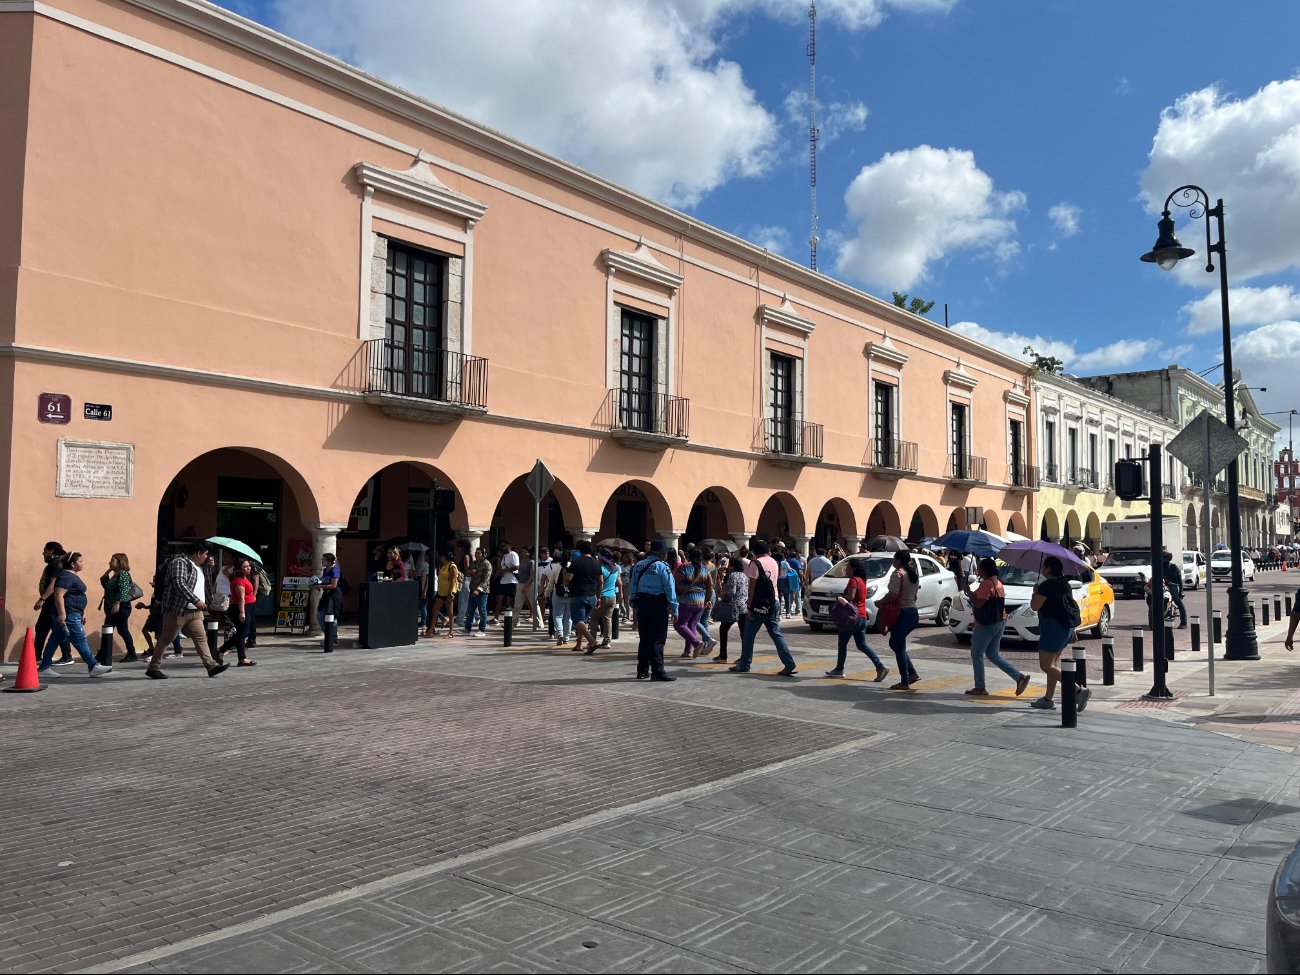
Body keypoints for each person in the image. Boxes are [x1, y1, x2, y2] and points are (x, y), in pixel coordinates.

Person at [146, 541, 226, 678]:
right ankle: (153, 668)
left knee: (201, 638)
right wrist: (195, 600)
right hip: (178, 610)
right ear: (199, 553)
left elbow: (206, 583)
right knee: (166, 638)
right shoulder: (179, 562)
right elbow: (179, 583)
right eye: (205, 554)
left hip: (195, 611)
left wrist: (208, 567)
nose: (207, 557)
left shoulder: (199, 566)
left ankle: (211, 666)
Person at [36, 552, 113, 678]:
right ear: (72, 564)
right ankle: (93, 666)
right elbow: (58, 595)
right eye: (80, 561)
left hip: (73, 612)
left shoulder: (70, 575)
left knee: (55, 639)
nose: (83, 563)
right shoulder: (67, 576)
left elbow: (74, 595)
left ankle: (44, 667)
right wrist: (62, 614)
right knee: (80, 638)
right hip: (69, 614)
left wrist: (82, 612)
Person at [964, 557, 1030, 697]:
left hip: (985, 624)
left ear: (984, 569)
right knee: (993, 654)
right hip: (1000, 621)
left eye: (980, 567)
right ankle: (1019, 677)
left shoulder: (986, 584)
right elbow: (982, 598)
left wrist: (968, 592)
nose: (978, 570)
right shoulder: (998, 583)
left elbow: (978, 604)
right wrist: (969, 591)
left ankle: (980, 687)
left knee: (977, 654)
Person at [1028, 554, 1087, 711]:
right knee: (1052, 665)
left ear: (1048, 568)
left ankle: (1078, 690)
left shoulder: (1047, 586)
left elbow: (1034, 606)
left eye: (1044, 567)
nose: (1042, 569)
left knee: (1046, 665)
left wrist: (1035, 592)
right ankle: (1048, 699)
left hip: (1053, 629)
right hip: (1065, 628)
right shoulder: (1064, 584)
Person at [730, 539, 797, 676]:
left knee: (748, 634)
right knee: (775, 633)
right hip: (774, 601)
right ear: (767, 550)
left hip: (758, 604)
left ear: (754, 552)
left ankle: (744, 664)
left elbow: (752, 587)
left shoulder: (756, 563)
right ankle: (789, 663)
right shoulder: (774, 562)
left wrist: (749, 606)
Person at [825, 559, 888, 681]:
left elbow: (851, 596)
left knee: (842, 643)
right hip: (862, 617)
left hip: (852, 617)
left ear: (853, 568)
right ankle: (880, 666)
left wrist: (839, 597)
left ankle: (839, 669)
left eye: (847, 567)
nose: (845, 569)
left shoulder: (853, 580)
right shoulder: (862, 581)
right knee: (862, 644)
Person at [629, 541, 678, 681]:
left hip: (642, 602)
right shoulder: (663, 567)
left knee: (644, 637)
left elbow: (633, 584)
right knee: (657, 638)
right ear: (662, 553)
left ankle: (642, 670)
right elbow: (670, 588)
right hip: (658, 604)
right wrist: (674, 608)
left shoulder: (639, 565)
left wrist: (633, 601)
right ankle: (658, 671)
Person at [878, 550, 923, 690]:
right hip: (913, 612)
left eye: (894, 558)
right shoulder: (912, 575)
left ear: (898, 560)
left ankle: (905, 680)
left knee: (898, 645)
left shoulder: (898, 574)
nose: (893, 561)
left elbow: (892, 594)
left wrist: (880, 602)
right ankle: (912, 673)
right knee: (896, 644)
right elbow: (915, 597)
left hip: (901, 613)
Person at [34, 541, 75, 666]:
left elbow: (53, 585)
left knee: (53, 628)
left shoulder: (56, 564)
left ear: (51, 550)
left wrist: (42, 599)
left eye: (45, 550)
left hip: (52, 603)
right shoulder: (56, 563)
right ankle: (36, 656)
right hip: (50, 603)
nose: (43, 553)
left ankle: (67, 656)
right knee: (43, 628)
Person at [98, 553, 138, 664]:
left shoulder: (123, 574)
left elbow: (123, 590)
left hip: (121, 607)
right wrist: (108, 571)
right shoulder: (116, 575)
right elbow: (105, 585)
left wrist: (117, 603)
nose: (109, 562)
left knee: (121, 630)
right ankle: (102, 654)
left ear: (119, 562)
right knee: (108, 629)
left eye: (112, 561)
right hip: (112, 607)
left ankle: (131, 653)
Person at [672, 548, 711, 658]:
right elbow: (709, 585)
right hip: (700, 601)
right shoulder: (704, 568)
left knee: (679, 624)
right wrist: (707, 600)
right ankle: (687, 651)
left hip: (687, 600)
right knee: (691, 625)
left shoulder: (684, 567)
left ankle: (696, 643)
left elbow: (676, 583)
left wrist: (677, 594)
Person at [565, 540, 602, 653]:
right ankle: (579, 644)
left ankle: (592, 641)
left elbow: (568, 579)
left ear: (580, 550)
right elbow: (601, 581)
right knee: (583, 621)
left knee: (577, 621)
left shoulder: (576, 562)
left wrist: (565, 579)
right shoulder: (596, 563)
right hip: (592, 596)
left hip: (578, 595)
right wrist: (599, 597)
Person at [714, 557, 748, 662]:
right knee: (744, 633)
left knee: (723, 629)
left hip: (733, 607)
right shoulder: (744, 576)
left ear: (732, 566)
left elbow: (731, 592)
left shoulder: (733, 575)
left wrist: (722, 595)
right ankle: (744, 656)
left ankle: (723, 655)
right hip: (743, 607)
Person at [226, 559, 257, 666]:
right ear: (239, 569)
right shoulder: (239, 581)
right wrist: (242, 612)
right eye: (245, 566)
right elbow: (241, 598)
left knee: (243, 632)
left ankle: (222, 650)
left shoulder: (245, 579)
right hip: (241, 608)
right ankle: (241, 658)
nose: (248, 568)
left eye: (249, 566)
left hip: (248, 607)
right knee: (243, 633)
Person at [426, 549, 460, 639]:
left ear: (444, 557)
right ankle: (431, 629)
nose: (440, 558)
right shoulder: (444, 566)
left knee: (450, 612)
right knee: (435, 610)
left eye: (442, 556)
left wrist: (450, 592)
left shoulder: (452, 566)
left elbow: (453, 579)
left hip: (448, 593)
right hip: (441, 592)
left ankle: (451, 632)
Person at [311, 552, 341, 650]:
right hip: (326, 595)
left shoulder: (334, 570)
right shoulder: (325, 570)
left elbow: (334, 585)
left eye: (323, 559)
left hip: (333, 595)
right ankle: (329, 636)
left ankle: (333, 639)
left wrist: (320, 586)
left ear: (329, 561)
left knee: (332, 617)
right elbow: (324, 580)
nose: (322, 561)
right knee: (320, 615)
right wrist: (317, 582)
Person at [594, 548, 620, 650]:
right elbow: (619, 583)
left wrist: (598, 597)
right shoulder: (616, 569)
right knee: (607, 619)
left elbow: (600, 583)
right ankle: (607, 641)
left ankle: (592, 641)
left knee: (594, 619)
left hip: (602, 596)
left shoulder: (601, 569)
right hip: (612, 596)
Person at [463, 547, 492, 637]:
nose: (476, 555)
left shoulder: (487, 564)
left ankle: (482, 629)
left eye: (478, 553)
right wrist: (470, 572)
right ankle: (467, 629)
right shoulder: (475, 563)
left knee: (482, 611)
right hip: (472, 589)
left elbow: (486, 579)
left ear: (484, 555)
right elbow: (467, 571)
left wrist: (478, 589)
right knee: (470, 611)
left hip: (482, 591)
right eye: (476, 553)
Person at [550, 549, 574, 646]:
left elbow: (551, 582)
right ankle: (566, 637)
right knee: (568, 617)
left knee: (557, 616)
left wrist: (547, 593)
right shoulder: (573, 566)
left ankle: (559, 633)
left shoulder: (556, 566)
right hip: (571, 594)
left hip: (558, 593)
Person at [493, 541, 520, 625]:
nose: (501, 548)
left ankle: (515, 619)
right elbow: (502, 567)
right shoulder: (504, 556)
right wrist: (498, 572)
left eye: (503, 546)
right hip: (504, 580)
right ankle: (496, 618)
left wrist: (503, 570)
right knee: (499, 599)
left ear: (508, 546)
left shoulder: (513, 554)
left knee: (511, 601)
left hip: (512, 581)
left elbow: (516, 567)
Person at [1162, 550, 1187, 628]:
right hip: (1162, 586)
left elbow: (1179, 579)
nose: (1163, 559)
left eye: (1164, 557)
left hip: (1172, 586)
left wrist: (1181, 591)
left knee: (1178, 601)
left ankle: (1184, 622)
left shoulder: (1173, 567)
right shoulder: (1158, 567)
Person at [514, 545, 537, 623]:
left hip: (529, 585)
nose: (523, 553)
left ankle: (538, 622)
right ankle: (513, 622)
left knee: (534, 604)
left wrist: (525, 586)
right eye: (522, 552)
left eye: (525, 552)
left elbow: (532, 576)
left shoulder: (532, 562)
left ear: (529, 553)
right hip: (520, 583)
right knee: (517, 604)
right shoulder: (523, 561)